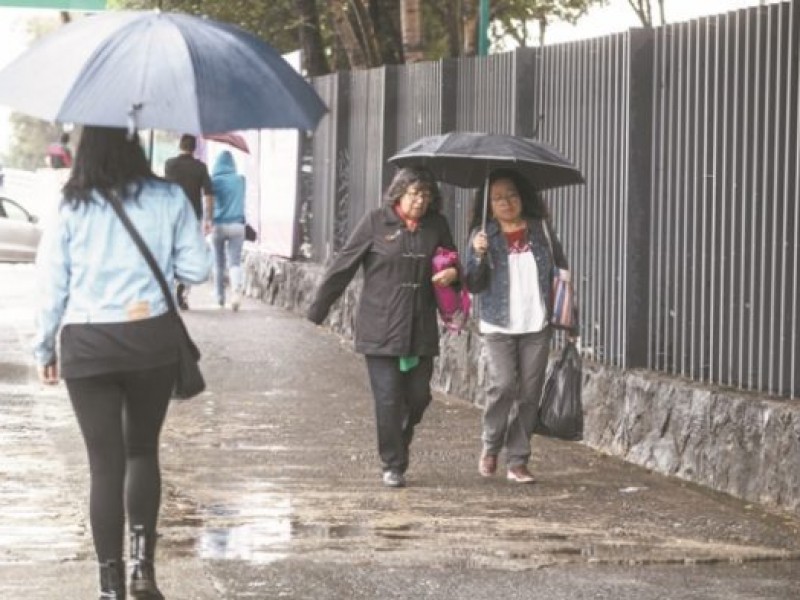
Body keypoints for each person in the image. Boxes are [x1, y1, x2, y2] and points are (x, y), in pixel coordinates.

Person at [33, 126, 211, 599]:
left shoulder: (72, 203)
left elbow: (52, 283)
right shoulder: (169, 197)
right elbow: (197, 270)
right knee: (142, 452)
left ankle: (109, 585)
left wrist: (43, 347)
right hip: (149, 339)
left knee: (104, 464)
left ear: (86, 150)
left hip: (87, 343)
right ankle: (142, 574)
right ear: (134, 147)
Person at [307, 166, 459, 488]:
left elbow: (451, 261)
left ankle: (399, 437)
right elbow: (343, 265)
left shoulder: (437, 226)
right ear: (399, 193)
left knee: (418, 397)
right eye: (415, 193)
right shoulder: (376, 222)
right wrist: (318, 309)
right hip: (381, 326)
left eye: (426, 195)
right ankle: (393, 463)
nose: (420, 201)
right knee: (388, 398)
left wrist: (454, 273)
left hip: (420, 327)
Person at [464, 168, 571, 484]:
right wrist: (477, 255)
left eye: (511, 194)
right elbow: (472, 283)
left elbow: (561, 272)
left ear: (523, 197)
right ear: (489, 205)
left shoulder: (542, 231)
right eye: (497, 198)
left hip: (536, 323)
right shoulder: (483, 235)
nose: (506, 202)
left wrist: (568, 317)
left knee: (529, 394)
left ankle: (518, 460)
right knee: (504, 386)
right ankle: (491, 445)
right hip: (498, 324)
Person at [164, 134, 214, 310]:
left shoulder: (169, 164)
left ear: (180, 146)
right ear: (194, 149)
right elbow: (208, 195)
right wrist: (208, 219)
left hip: (171, 215)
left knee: (170, 251)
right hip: (193, 217)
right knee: (189, 253)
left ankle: (169, 288)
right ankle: (183, 291)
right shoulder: (200, 167)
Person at [210, 150, 246, 311]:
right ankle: (236, 292)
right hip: (237, 225)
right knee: (235, 262)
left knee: (218, 262)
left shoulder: (213, 182)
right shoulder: (240, 180)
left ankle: (219, 297)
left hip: (218, 225)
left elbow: (208, 201)